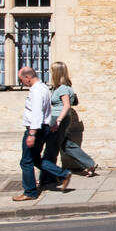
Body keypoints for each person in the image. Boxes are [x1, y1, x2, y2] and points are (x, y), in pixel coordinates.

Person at [13, 66, 71, 201]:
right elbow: (47, 110)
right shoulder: (43, 87)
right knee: (35, 159)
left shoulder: (37, 91)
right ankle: (62, 174)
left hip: (35, 129)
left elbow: (37, 112)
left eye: (21, 80)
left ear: (28, 77)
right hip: (42, 127)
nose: (22, 83)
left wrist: (32, 134)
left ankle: (30, 192)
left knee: (26, 161)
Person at [44, 62, 99, 177]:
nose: (50, 73)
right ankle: (89, 164)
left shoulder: (63, 89)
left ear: (57, 73)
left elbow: (67, 105)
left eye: (52, 71)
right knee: (65, 144)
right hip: (61, 117)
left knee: (51, 147)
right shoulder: (61, 88)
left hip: (58, 118)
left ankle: (49, 175)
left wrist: (58, 120)